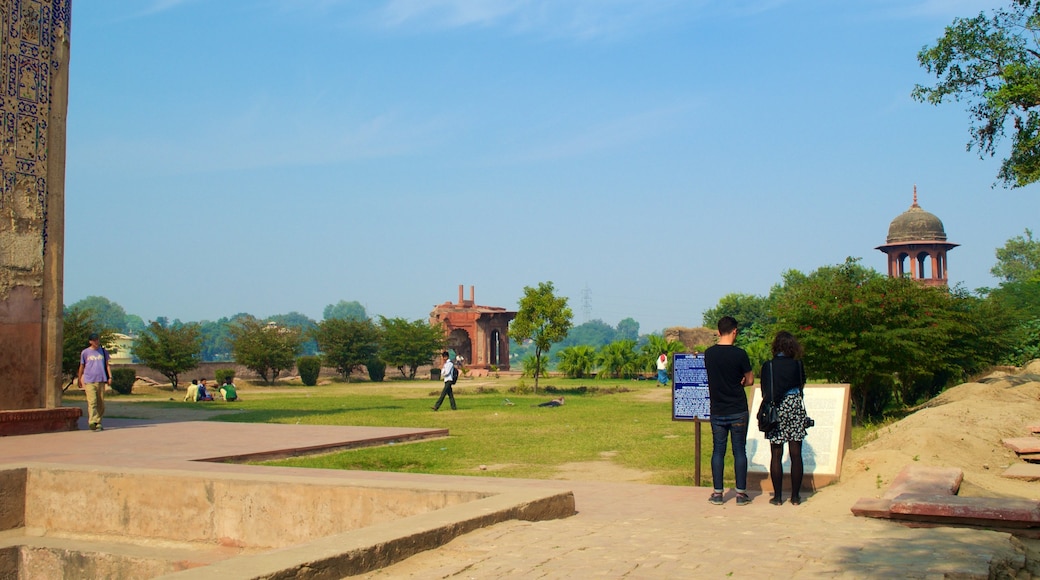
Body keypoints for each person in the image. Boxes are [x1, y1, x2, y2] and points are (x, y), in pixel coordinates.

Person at [703, 316, 754, 506]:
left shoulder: (709, 354)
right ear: (734, 331)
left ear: (718, 332)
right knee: (739, 451)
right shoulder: (740, 354)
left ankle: (717, 493)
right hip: (737, 409)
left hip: (717, 409)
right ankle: (740, 494)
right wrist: (742, 379)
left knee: (718, 451)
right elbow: (749, 380)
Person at [760, 331, 808, 506]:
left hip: (776, 409)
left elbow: (765, 389)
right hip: (794, 406)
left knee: (776, 453)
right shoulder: (797, 365)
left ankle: (778, 497)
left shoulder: (769, 366)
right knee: (796, 453)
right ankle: (795, 497)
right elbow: (802, 384)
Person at [77, 332, 111, 431]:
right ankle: (92, 421)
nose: (96, 341)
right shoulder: (85, 352)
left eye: (97, 339)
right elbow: (82, 366)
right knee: (92, 402)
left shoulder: (103, 352)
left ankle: (98, 421)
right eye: (94, 340)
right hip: (89, 380)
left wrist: (110, 377)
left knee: (101, 403)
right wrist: (79, 378)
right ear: (90, 341)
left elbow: (107, 365)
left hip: (101, 379)